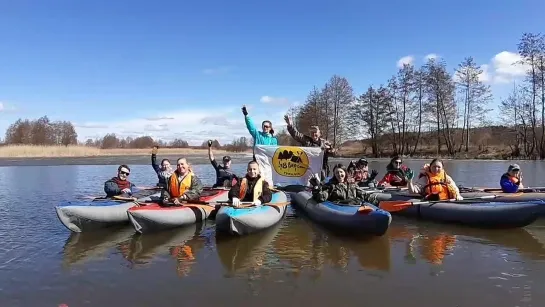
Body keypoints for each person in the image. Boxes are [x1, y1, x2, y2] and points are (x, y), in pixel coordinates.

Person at [284, 115, 334, 180]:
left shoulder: (325, 143)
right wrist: (290, 125)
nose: (313, 134)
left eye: (315, 132)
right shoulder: (306, 140)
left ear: (319, 133)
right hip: (308, 168)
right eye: (312, 132)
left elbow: (334, 153)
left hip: (321, 169)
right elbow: (296, 135)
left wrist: (330, 149)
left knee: (323, 184)